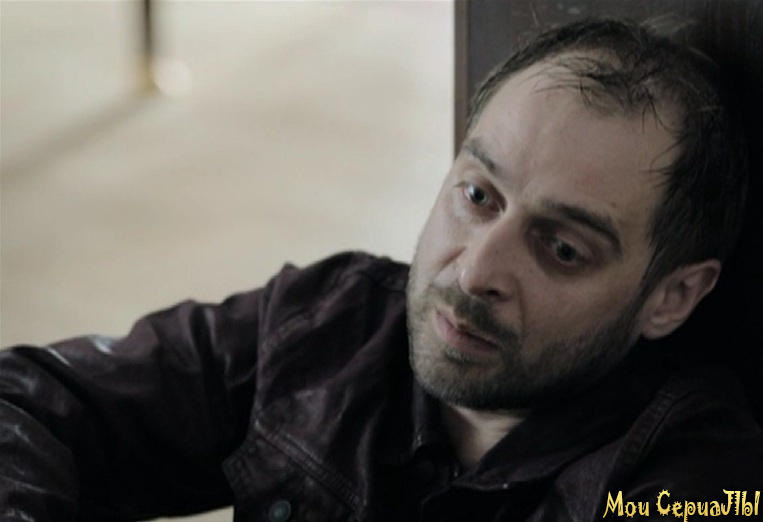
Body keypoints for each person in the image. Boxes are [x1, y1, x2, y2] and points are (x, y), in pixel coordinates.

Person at [1, 17, 761, 522]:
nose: (476, 271)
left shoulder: (698, 480)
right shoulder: (328, 324)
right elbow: (26, 404)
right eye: (478, 196)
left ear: (672, 297)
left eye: (561, 249)